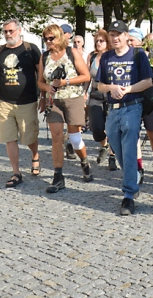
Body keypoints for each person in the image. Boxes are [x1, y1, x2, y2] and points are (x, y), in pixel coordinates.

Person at [96, 20, 153, 216]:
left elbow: (147, 81)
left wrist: (127, 89)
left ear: (127, 36)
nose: (115, 38)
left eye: (119, 34)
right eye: (112, 34)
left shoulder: (138, 55)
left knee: (129, 148)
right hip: (112, 108)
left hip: (132, 107)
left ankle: (129, 195)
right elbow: (100, 85)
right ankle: (133, 175)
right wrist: (111, 88)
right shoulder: (106, 58)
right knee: (116, 146)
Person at [0, 19, 43, 188]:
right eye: (5, 31)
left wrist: (44, 94)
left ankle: (35, 154)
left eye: (11, 31)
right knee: (9, 138)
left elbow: (41, 73)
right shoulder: (0, 51)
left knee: (29, 136)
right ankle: (16, 172)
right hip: (5, 102)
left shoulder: (30, 49)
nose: (8, 34)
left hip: (27, 100)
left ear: (19, 31)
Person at [39, 24, 93, 193]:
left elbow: (86, 75)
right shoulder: (44, 57)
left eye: (51, 38)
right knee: (56, 137)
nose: (48, 42)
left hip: (73, 99)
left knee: (74, 138)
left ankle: (84, 161)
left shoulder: (72, 53)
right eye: (45, 39)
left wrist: (66, 82)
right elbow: (40, 81)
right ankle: (58, 176)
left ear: (59, 37)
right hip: (54, 101)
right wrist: (46, 90)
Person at [129, 28, 153, 177]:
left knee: (152, 133)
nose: (130, 43)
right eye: (129, 40)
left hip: (150, 99)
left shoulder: (150, 54)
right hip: (133, 98)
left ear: (140, 41)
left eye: (132, 40)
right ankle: (139, 167)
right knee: (134, 134)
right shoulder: (125, 56)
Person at [85, 29, 116, 169]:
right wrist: (84, 92)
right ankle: (104, 145)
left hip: (110, 95)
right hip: (95, 95)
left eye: (101, 41)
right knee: (96, 127)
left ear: (107, 42)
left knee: (112, 127)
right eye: (96, 41)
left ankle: (112, 156)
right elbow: (87, 77)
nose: (98, 43)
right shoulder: (92, 57)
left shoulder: (113, 56)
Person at [60, 23, 78, 160]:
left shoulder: (75, 52)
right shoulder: (50, 52)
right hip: (56, 96)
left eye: (63, 33)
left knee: (74, 126)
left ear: (69, 35)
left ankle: (73, 144)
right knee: (57, 127)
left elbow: (85, 74)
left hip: (74, 93)